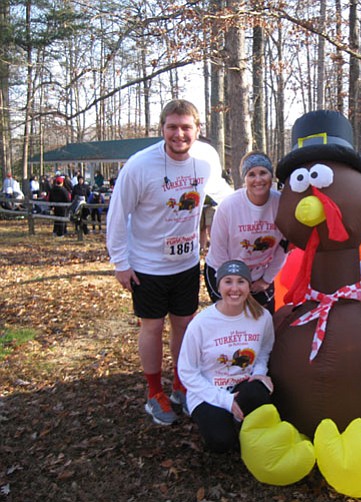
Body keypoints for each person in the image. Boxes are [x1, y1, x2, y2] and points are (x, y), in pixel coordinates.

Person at [106, 99, 232, 426]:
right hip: (147, 265)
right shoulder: (139, 165)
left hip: (187, 262)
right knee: (152, 327)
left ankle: (180, 384)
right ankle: (153, 392)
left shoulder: (206, 158)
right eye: (172, 127)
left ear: (198, 129)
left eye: (186, 127)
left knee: (185, 326)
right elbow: (118, 216)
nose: (179, 134)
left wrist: (254, 206)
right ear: (161, 128)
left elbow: (221, 191)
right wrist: (121, 262)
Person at [178, 260, 274, 452]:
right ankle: (224, 421)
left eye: (241, 281)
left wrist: (260, 373)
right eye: (228, 281)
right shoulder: (202, 323)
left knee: (259, 392)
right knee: (221, 443)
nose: (235, 288)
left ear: (249, 286)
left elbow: (264, 350)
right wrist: (224, 401)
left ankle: (240, 421)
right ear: (218, 286)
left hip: (242, 385)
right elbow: (187, 371)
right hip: (209, 392)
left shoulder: (262, 317)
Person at [205, 151, 285, 313]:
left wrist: (266, 279)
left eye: (263, 173)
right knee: (234, 321)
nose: (258, 180)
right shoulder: (229, 206)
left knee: (263, 321)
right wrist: (235, 284)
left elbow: (284, 248)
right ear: (244, 179)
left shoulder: (281, 204)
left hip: (260, 275)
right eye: (251, 174)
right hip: (223, 271)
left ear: (271, 176)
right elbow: (219, 249)